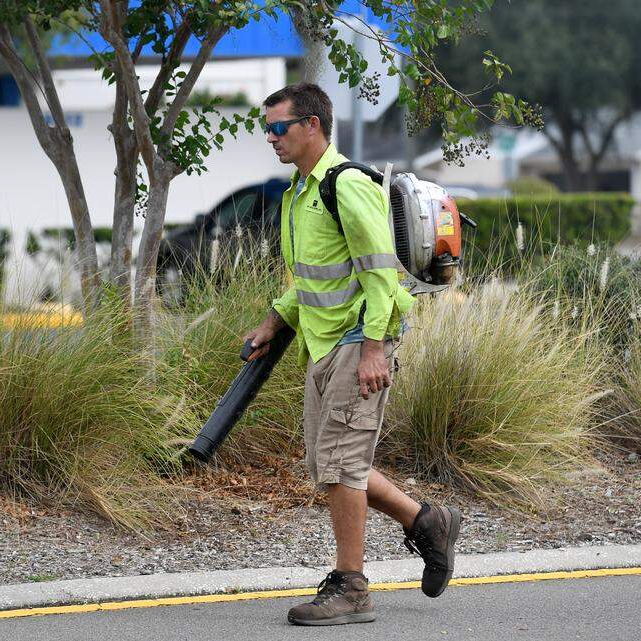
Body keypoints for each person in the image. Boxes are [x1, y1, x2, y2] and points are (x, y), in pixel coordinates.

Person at [243, 83, 461, 626]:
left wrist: (372, 351)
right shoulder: (301, 193)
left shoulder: (347, 186)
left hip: (355, 343)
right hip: (322, 344)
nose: (270, 138)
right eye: (265, 128)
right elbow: (316, 275)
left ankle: (352, 588)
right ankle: (426, 521)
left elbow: (380, 274)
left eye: (278, 127)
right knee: (331, 467)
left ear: (312, 125)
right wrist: (275, 318)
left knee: (341, 468)